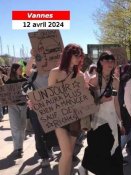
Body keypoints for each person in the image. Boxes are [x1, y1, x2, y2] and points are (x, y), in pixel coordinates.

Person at [82, 52, 124, 175]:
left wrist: (120, 122)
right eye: (107, 60)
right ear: (101, 62)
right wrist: (100, 100)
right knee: (99, 152)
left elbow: (116, 103)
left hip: (112, 120)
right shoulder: (93, 80)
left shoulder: (116, 81)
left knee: (114, 151)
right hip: (97, 122)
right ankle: (85, 166)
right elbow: (88, 104)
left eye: (112, 60)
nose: (110, 63)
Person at [48, 44, 84, 175]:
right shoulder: (55, 72)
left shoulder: (80, 75)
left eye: (80, 55)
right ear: (68, 54)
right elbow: (49, 96)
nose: (79, 58)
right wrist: (36, 102)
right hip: (60, 117)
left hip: (75, 118)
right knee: (67, 153)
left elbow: (83, 97)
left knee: (69, 154)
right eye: (76, 55)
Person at [26, 50, 57, 167]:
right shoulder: (33, 73)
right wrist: (32, 55)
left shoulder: (53, 73)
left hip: (51, 107)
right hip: (35, 108)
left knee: (50, 131)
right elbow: (27, 70)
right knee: (38, 133)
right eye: (39, 60)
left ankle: (49, 150)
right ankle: (44, 156)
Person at [5, 63, 27, 158]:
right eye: (20, 68)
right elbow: (5, 95)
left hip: (23, 106)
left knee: (22, 127)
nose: (21, 69)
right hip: (13, 107)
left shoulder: (24, 80)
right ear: (14, 70)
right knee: (15, 127)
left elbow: (28, 92)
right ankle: (17, 148)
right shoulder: (8, 82)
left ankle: (20, 147)